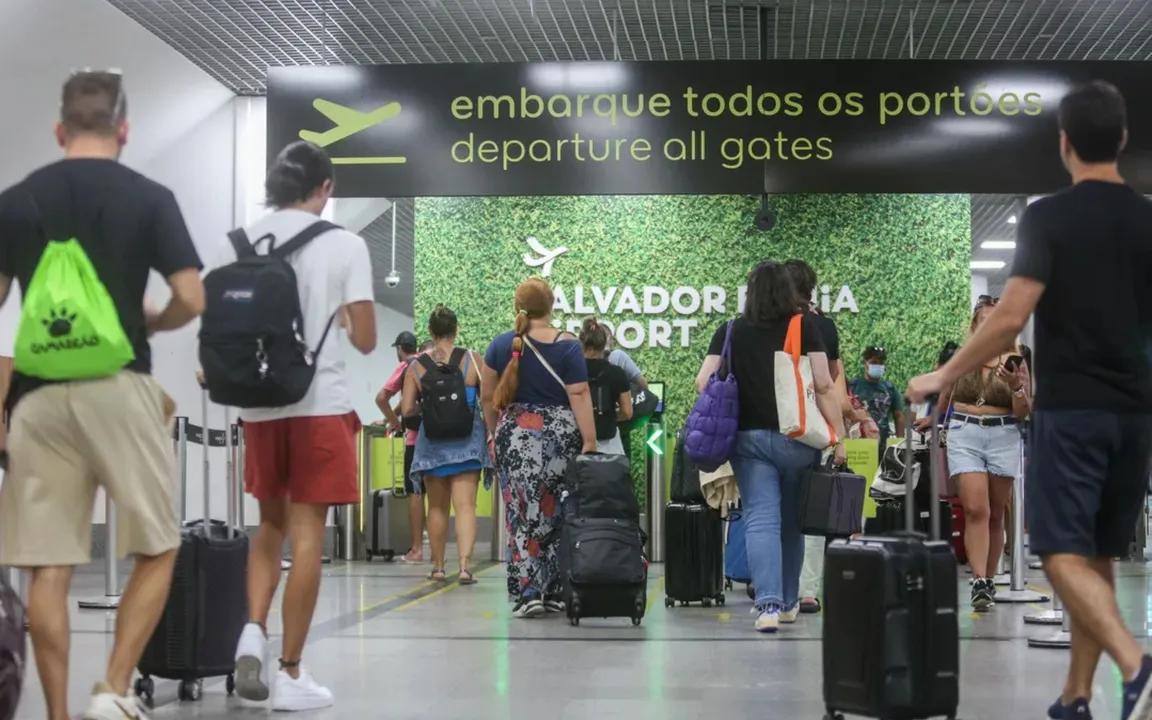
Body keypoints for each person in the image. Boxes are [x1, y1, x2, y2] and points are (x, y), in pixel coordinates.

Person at [907, 81, 1152, 720]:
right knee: (1095, 555)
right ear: (1122, 140)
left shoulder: (1049, 215)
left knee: (1056, 550)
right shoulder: (1147, 217)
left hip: (1074, 411)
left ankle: (1135, 663)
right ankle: (1074, 697)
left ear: (1064, 143)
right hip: (1136, 414)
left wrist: (942, 376)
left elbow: (1010, 314)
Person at [0, 70, 205, 720]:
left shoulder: (16, 200)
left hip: (34, 400)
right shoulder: (150, 197)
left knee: (47, 564)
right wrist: (151, 320)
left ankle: (57, 713)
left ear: (60, 131)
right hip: (119, 389)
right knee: (160, 543)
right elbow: (191, 299)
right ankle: (111, 690)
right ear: (124, 130)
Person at [222, 141, 377, 711]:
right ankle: (289, 672)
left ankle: (251, 632)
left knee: (267, 527)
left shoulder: (237, 242)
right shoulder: (344, 245)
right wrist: (339, 313)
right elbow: (365, 339)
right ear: (325, 188)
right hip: (318, 404)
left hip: (258, 407)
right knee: (307, 534)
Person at [695, 262, 846, 633]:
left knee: (761, 519)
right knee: (794, 523)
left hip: (748, 440)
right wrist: (839, 436)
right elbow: (825, 386)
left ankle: (767, 606)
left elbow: (703, 381)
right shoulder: (803, 326)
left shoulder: (731, 329)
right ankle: (792, 602)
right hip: (799, 438)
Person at [481, 277, 597, 618]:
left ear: (517, 306)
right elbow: (578, 394)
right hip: (559, 439)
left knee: (520, 514)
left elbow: (488, 397)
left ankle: (528, 591)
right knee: (556, 511)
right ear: (551, 307)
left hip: (513, 435)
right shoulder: (568, 345)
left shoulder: (501, 346)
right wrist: (589, 440)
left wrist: (492, 433)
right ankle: (554, 590)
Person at [920, 300, 1030, 611]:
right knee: (976, 509)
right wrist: (933, 419)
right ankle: (979, 580)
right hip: (964, 432)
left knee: (995, 513)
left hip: (1004, 434)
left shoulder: (1016, 360)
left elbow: (1024, 412)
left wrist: (1017, 388)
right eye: (983, 321)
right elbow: (945, 395)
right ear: (975, 326)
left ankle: (990, 580)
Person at [402, 305, 491, 584]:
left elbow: (406, 410)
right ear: (456, 329)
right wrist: (491, 432)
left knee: (437, 508)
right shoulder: (473, 360)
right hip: (468, 440)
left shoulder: (417, 366)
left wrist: (429, 406)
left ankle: (439, 567)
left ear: (430, 332)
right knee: (466, 506)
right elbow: (488, 401)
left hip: (433, 444)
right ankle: (465, 568)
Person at [784, 258, 852, 615]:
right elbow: (832, 376)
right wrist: (839, 436)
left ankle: (773, 584)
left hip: (774, 425)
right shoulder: (823, 325)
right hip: (814, 425)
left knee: (770, 509)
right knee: (812, 510)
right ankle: (807, 590)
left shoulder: (765, 323)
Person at [376, 330, 424, 563]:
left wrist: (394, 423)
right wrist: (391, 418)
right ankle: (438, 553)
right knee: (436, 494)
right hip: (436, 438)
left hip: (415, 440)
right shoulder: (428, 361)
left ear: (399, 348)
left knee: (415, 492)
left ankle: (416, 549)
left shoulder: (405, 367)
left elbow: (381, 398)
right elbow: (408, 400)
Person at [578, 317, 633, 455]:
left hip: (578, 440)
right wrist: (609, 416)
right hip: (608, 443)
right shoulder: (616, 372)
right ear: (604, 345)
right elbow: (627, 412)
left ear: (581, 342)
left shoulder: (571, 371)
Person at [849, 346, 906, 459]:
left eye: (881, 363)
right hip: (857, 445)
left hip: (883, 446)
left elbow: (899, 416)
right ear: (865, 363)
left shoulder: (890, 388)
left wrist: (900, 445)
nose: (878, 366)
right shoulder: (853, 385)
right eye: (874, 362)